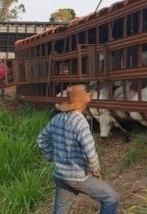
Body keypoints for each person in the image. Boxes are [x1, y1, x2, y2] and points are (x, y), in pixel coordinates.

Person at [37, 84, 118, 214]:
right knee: (111, 197)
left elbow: (41, 139)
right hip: (77, 176)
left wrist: (50, 156)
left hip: (60, 175)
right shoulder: (80, 122)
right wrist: (95, 170)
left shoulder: (57, 118)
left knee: (60, 211)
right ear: (82, 103)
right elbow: (90, 152)